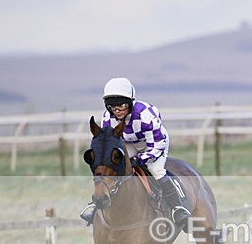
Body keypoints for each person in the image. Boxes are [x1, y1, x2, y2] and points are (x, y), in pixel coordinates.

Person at [80, 77, 190, 226]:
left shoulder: (146, 115)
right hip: (129, 143)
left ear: (131, 103)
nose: (117, 110)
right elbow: (109, 146)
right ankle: (97, 202)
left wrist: (141, 159)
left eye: (122, 105)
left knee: (155, 169)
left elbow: (157, 145)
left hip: (153, 143)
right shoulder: (107, 118)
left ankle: (178, 208)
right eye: (112, 106)